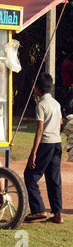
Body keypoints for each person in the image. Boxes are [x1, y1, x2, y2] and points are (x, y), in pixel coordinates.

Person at [24, 73, 63, 224]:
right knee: (54, 179)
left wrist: (33, 153)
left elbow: (40, 130)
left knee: (30, 176)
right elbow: (60, 123)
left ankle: (38, 209)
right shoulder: (56, 103)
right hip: (57, 143)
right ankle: (58, 213)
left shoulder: (40, 104)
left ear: (38, 88)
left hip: (46, 143)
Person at [60, 51, 73, 117]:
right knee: (70, 100)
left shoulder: (64, 63)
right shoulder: (69, 63)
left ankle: (68, 113)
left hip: (66, 83)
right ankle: (68, 114)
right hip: (70, 84)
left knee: (68, 99)